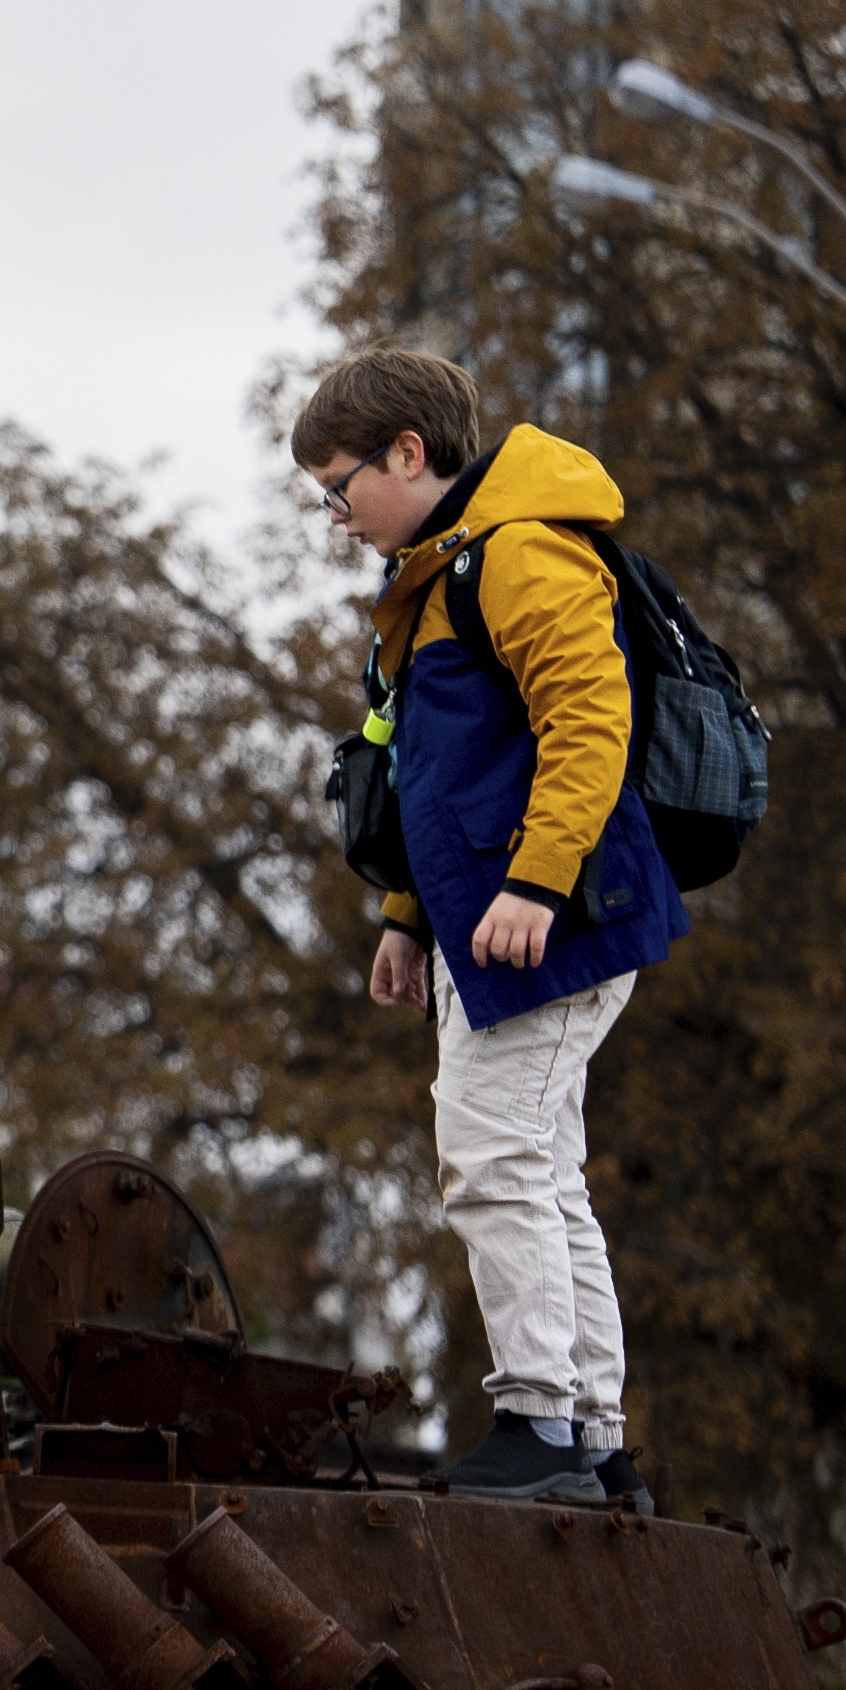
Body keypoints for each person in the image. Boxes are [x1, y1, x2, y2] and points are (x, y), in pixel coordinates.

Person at [294, 350, 683, 1509]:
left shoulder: (516, 551)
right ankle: (593, 1439)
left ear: (406, 454)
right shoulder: (442, 572)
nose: (335, 515)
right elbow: (440, 773)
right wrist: (407, 917)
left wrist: (537, 884)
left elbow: (587, 715)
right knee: (542, 1172)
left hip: (549, 921)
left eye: (338, 487)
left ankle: (541, 1424)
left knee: (491, 1157)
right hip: (495, 921)